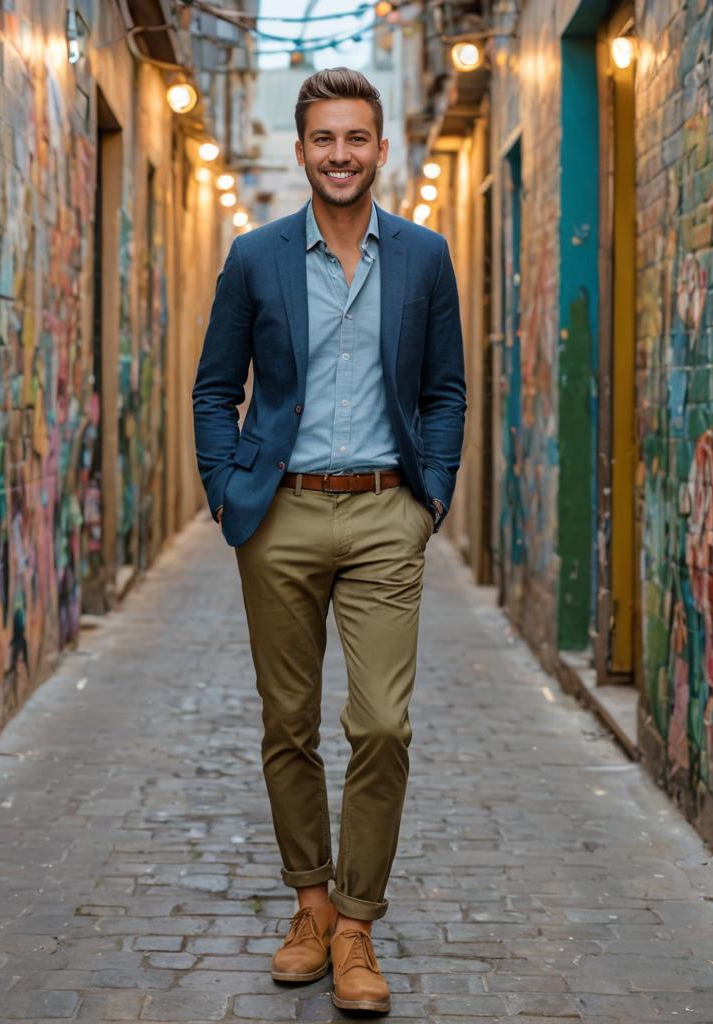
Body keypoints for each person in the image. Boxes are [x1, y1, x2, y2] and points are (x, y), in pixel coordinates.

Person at [192, 67, 466, 1014]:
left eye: (356, 139)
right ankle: (309, 906)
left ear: (380, 149)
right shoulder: (255, 257)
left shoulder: (425, 258)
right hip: (282, 515)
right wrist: (229, 496)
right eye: (323, 140)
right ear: (300, 149)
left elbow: (444, 391)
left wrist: (429, 498)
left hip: (387, 511)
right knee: (288, 724)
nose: (340, 155)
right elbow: (213, 386)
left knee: (382, 724)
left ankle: (357, 925)